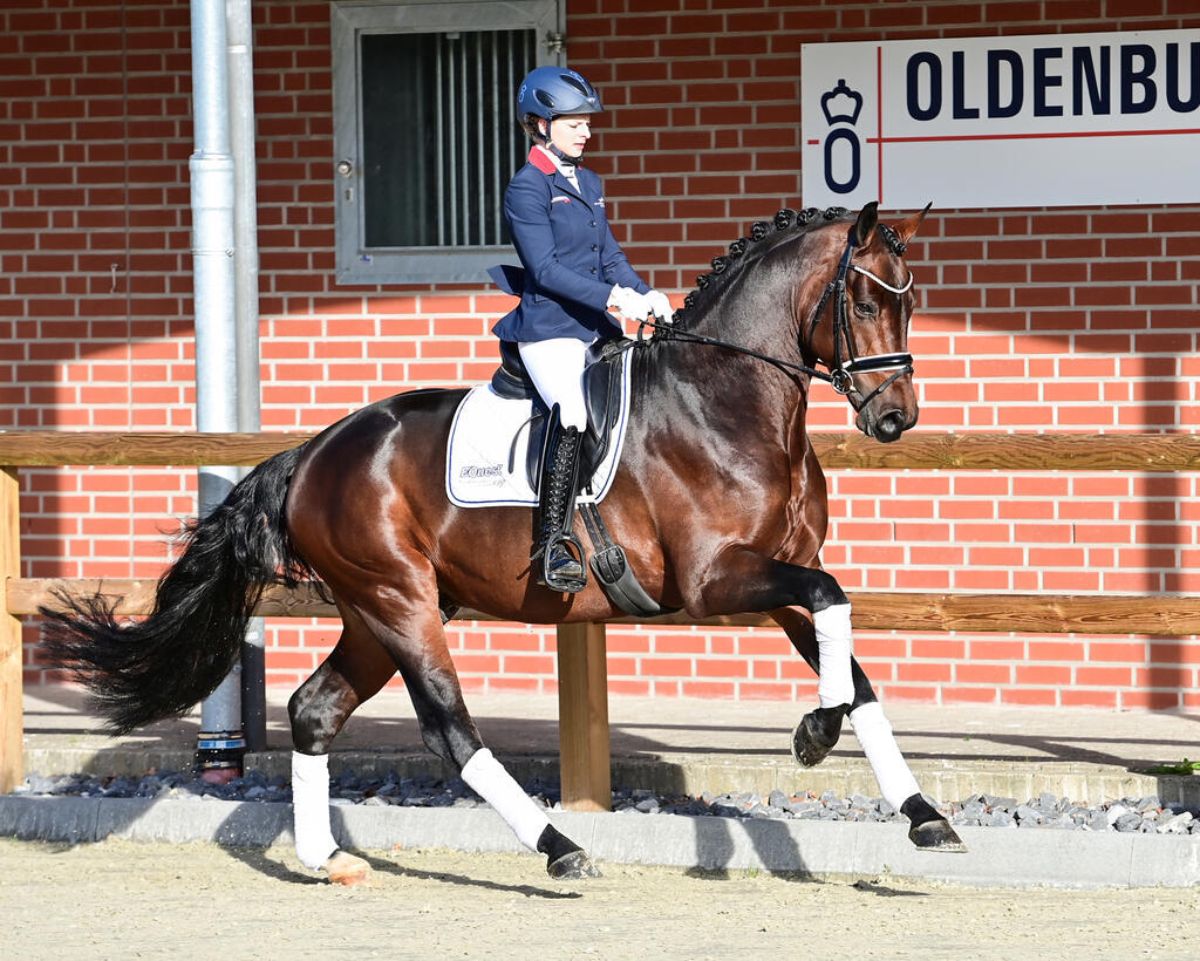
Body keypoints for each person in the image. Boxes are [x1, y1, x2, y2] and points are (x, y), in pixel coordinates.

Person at [489, 65, 672, 594]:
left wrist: (643, 292)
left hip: (594, 324)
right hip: (549, 329)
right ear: (541, 124)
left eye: (587, 121)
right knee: (571, 410)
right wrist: (614, 299)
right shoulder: (526, 189)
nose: (586, 130)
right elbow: (545, 270)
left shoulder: (588, 182)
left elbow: (608, 255)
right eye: (573, 122)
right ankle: (552, 542)